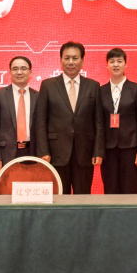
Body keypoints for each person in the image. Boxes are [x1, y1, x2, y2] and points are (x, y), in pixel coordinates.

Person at [34, 41, 104, 194]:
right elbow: (41, 121)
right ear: (60, 61)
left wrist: (98, 151)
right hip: (56, 153)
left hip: (84, 153)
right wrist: (43, 151)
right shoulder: (48, 85)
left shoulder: (93, 86)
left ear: (82, 61)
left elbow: (98, 122)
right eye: (67, 58)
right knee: (59, 197)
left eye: (75, 58)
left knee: (83, 197)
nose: (71, 62)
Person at [99, 48, 137, 194]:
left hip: (131, 148)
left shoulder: (136, 89)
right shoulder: (100, 91)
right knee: (110, 189)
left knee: (130, 189)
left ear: (126, 64)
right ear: (107, 65)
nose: (116, 65)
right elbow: (99, 123)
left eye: (119, 61)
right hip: (108, 150)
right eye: (112, 61)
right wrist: (98, 151)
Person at [0, 55, 38, 172]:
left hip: (32, 152)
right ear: (10, 72)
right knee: (8, 184)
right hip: (6, 154)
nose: (19, 72)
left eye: (23, 68)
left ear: (30, 72)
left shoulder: (38, 96)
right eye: (15, 69)